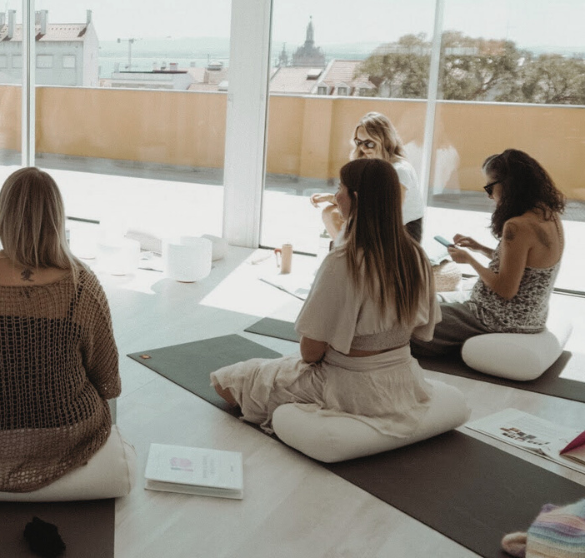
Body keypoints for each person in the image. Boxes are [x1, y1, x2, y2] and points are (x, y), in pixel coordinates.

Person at [212, 158, 440, 437]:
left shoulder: (344, 261)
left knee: (225, 382)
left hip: (351, 387)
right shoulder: (416, 254)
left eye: (340, 188)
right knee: (271, 369)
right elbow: (423, 331)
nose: (336, 195)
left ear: (355, 198)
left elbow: (310, 352)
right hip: (404, 379)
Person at [0, 167, 121, 492]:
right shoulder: (82, 285)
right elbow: (107, 380)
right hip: (67, 430)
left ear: (3, 215)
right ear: (57, 219)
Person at [411, 149, 565, 357]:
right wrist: (480, 248)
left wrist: (470, 260)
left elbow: (506, 289)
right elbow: (525, 267)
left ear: (509, 184)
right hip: (529, 317)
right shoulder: (548, 215)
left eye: (490, 187)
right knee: (422, 300)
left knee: (406, 319)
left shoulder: (517, 226)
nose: (488, 194)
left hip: (496, 317)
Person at [311, 112, 424, 242]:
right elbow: (363, 201)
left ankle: (352, 257)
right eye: (359, 142)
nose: (363, 148)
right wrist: (332, 198)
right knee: (329, 213)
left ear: (384, 141)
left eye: (369, 143)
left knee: (340, 220)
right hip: (380, 224)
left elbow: (388, 214)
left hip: (402, 232)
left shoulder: (399, 170)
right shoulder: (372, 165)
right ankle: (350, 256)